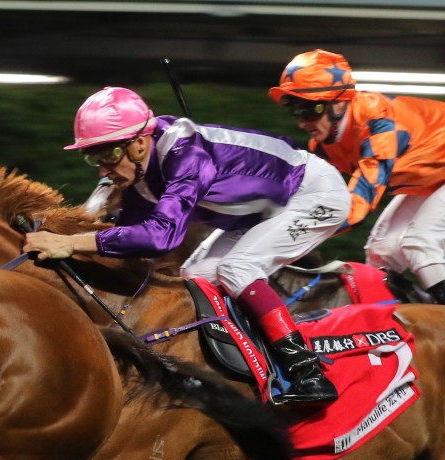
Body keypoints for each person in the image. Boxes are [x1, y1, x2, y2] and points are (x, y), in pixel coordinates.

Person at [22, 86, 350, 406]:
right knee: (196, 276)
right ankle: (247, 366)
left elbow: (161, 236)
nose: (104, 169)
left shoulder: (186, 156)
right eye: (93, 158)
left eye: (109, 155)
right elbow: (131, 239)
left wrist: (71, 243)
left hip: (314, 193)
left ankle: (308, 371)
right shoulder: (140, 171)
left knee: (238, 269)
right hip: (263, 209)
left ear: (139, 143)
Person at [270, 49, 445, 304]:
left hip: (434, 177)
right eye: (296, 112)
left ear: (339, 103)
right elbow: (301, 195)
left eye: (311, 110)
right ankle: (396, 324)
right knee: (381, 250)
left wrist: (286, 232)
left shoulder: (379, 125)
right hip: (434, 179)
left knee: (421, 241)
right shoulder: (322, 143)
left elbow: (356, 206)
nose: (303, 122)